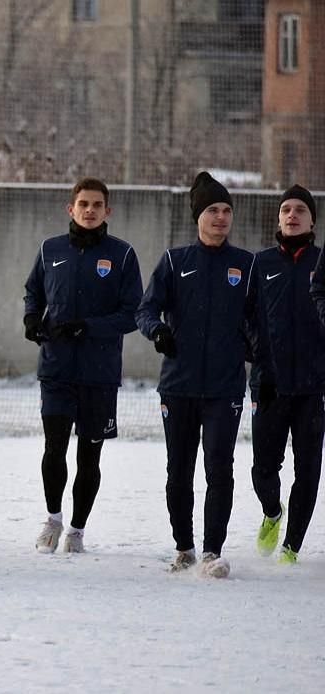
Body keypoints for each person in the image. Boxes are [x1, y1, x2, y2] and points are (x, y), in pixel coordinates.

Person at [136, 171, 254, 578]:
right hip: (179, 385)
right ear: (197, 217)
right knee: (179, 470)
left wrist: (253, 348)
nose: (220, 217)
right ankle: (184, 547)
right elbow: (145, 310)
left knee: (220, 467)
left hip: (225, 387)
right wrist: (158, 331)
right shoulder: (174, 261)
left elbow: (259, 320)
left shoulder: (246, 265)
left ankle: (211, 552)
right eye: (212, 210)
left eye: (226, 210)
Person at [23, 178, 142, 554]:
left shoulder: (122, 255)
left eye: (97, 205)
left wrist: (88, 327)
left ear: (108, 210)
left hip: (98, 374)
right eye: (83, 204)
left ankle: (76, 531)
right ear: (70, 209)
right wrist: (31, 318)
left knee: (89, 456)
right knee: (54, 447)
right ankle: (53, 520)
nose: (90, 210)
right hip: (56, 368)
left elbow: (132, 313)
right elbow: (33, 292)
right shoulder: (50, 249)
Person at [252, 185, 322, 564]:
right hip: (270, 384)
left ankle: (291, 547)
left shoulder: (321, 262)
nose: (292, 215)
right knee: (263, 468)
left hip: (313, 387)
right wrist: (258, 360)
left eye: (300, 210)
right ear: (278, 218)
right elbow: (245, 320)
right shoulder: (260, 264)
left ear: (312, 220)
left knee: (308, 470)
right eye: (286, 210)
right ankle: (272, 511)